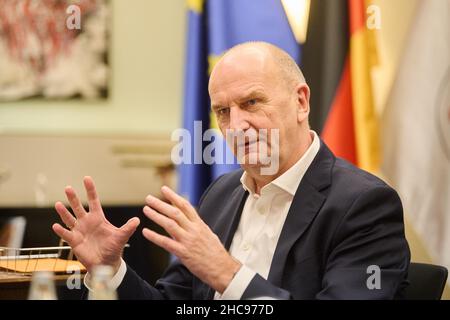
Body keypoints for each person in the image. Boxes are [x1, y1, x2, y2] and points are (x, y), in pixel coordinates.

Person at [52, 42, 410, 299]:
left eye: (251, 102)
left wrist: (228, 274)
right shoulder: (220, 195)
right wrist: (109, 271)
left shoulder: (364, 205)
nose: (236, 125)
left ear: (301, 102)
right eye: (222, 111)